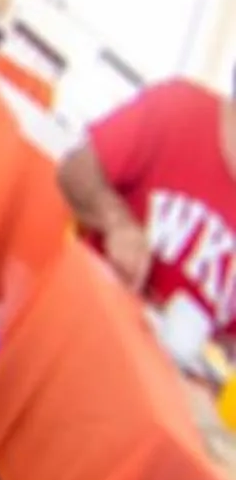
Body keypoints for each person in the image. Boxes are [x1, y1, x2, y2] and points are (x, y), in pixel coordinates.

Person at [58, 75, 236, 344]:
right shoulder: (179, 107)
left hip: (166, 383)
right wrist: (117, 223)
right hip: (78, 329)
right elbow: (74, 170)